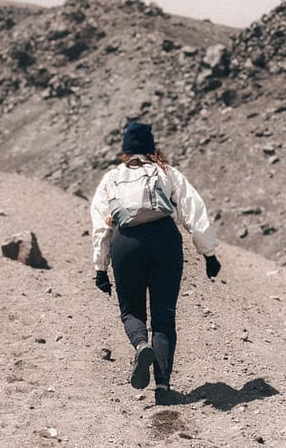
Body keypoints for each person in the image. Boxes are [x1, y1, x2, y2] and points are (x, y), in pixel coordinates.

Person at [90, 121, 221, 403]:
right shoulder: (166, 172)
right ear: (151, 148)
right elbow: (193, 209)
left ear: (125, 151)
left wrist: (100, 267)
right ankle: (162, 389)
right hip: (164, 241)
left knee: (131, 312)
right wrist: (208, 253)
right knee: (164, 317)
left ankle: (140, 345)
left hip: (126, 245)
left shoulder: (112, 178)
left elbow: (101, 224)